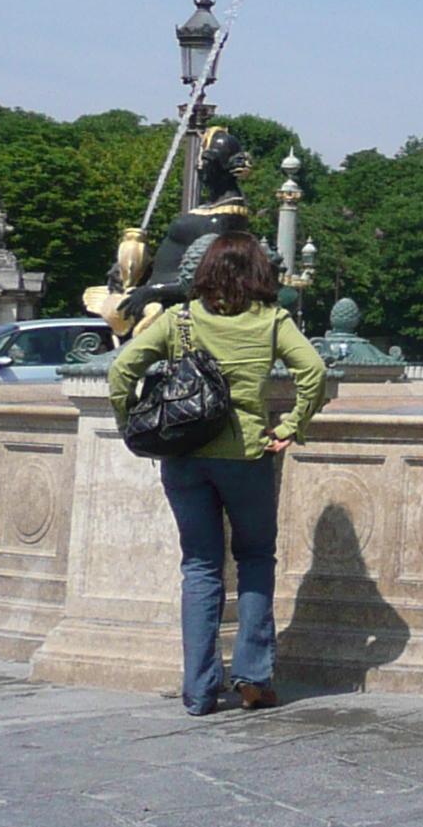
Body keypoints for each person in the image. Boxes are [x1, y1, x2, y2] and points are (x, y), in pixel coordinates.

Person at [106, 232, 329, 715]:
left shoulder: (179, 321)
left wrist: (132, 427)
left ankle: (200, 689)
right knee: (254, 557)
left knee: (201, 566)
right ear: (259, 274)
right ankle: (252, 675)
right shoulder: (272, 320)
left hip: (184, 457)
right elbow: (313, 370)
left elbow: (121, 370)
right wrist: (292, 425)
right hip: (246, 456)